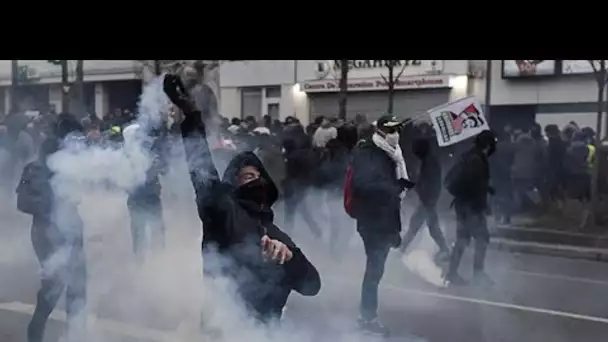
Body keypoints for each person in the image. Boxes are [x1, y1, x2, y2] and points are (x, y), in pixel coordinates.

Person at [163, 75, 320, 322]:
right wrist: (192, 118)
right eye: (244, 176)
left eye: (255, 176)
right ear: (232, 184)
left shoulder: (275, 233)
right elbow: (202, 170)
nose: (252, 181)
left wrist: (289, 258)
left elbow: (312, 286)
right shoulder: (222, 209)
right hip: (226, 327)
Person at [18, 113, 87, 342]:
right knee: (54, 284)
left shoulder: (71, 157)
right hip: (49, 232)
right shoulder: (44, 162)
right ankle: (35, 333)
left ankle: (75, 334)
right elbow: (30, 201)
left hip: (70, 228)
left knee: (77, 284)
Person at [350, 115, 415, 336]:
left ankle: (367, 316)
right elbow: (363, 185)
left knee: (376, 270)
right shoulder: (368, 152)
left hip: (384, 220)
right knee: (374, 270)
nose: (395, 133)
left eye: (397, 129)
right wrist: (393, 187)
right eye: (390, 129)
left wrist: (394, 229)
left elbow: (390, 195)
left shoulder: (392, 153)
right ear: (379, 131)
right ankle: (367, 318)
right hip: (372, 221)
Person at [444, 130, 497, 287]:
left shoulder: (468, 156)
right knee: (481, 239)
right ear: (488, 144)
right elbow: (475, 184)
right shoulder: (477, 160)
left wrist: (487, 189)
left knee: (462, 239)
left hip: (462, 204)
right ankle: (478, 274)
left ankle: (452, 274)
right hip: (471, 206)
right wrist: (483, 205)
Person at [399, 134, 450, 262]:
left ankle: (444, 249)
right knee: (422, 225)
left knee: (422, 225)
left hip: (428, 200)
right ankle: (402, 247)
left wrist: (425, 194)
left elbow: (431, 182)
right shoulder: (428, 161)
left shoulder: (429, 162)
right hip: (427, 199)